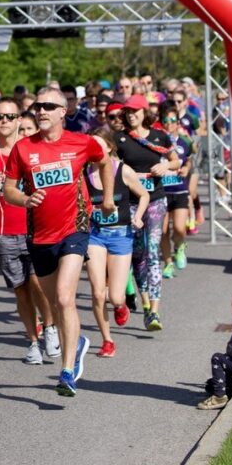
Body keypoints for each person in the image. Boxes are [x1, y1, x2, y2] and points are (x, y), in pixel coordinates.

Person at [4, 87, 115, 396]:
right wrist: (26, 199)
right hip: (40, 236)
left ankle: (66, 371)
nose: (40, 111)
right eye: (38, 106)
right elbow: (8, 190)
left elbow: (105, 161)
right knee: (54, 302)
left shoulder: (82, 143)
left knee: (66, 298)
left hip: (74, 228)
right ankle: (76, 341)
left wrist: (106, 198)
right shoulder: (23, 148)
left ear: (63, 112)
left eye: (48, 106)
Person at [0, 97, 57, 364]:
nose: (5, 122)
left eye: (10, 117)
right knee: (20, 289)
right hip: (3, 229)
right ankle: (33, 342)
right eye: (0, 117)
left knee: (38, 284)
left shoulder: (31, 148)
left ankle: (51, 328)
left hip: (35, 227)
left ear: (20, 119)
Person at [114, 95, 181, 331]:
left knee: (153, 252)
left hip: (155, 201)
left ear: (144, 112)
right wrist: (129, 176)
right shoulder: (120, 139)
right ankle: (144, 302)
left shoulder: (159, 136)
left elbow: (176, 160)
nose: (131, 115)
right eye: (128, 111)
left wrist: (165, 166)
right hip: (130, 203)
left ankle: (155, 310)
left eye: (135, 111)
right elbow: (109, 167)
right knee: (138, 255)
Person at [83, 129, 148, 358]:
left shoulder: (123, 170)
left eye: (99, 146)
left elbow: (144, 195)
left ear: (110, 148)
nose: (94, 151)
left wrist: (138, 216)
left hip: (121, 236)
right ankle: (107, 340)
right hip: (95, 235)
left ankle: (121, 306)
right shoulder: (83, 172)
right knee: (98, 292)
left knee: (116, 297)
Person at [158, 103, 193, 279]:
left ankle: (180, 246)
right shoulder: (156, 142)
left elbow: (188, 160)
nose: (169, 124)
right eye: (166, 120)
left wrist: (186, 168)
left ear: (178, 122)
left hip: (179, 190)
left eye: (173, 120)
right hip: (162, 191)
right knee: (162, 231)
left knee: (179, 228)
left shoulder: (184, 141)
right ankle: (168, 263)